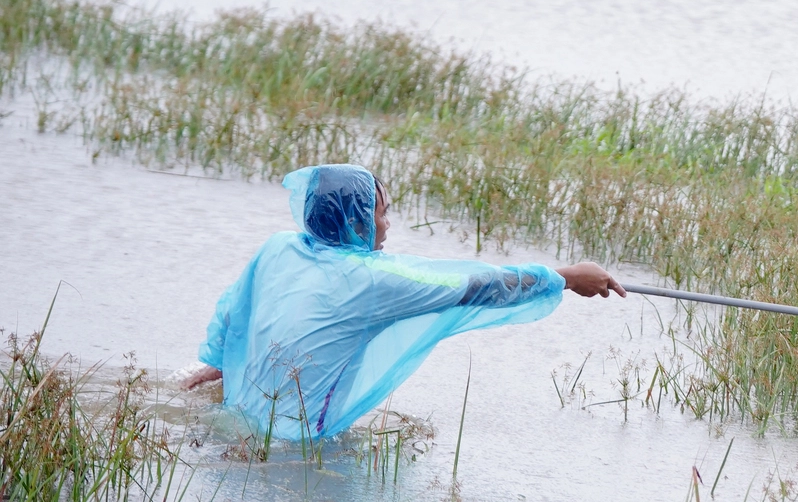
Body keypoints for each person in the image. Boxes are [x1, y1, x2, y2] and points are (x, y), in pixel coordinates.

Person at [184, 162, 625, 440]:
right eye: (381, 212)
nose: (388, 224)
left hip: (232, 416)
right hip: (292, 444)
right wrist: (564, 278)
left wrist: (219, 364)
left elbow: (233, 311)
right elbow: (477, 285)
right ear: (357, 219)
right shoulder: (372, 282)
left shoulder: (281, 247)